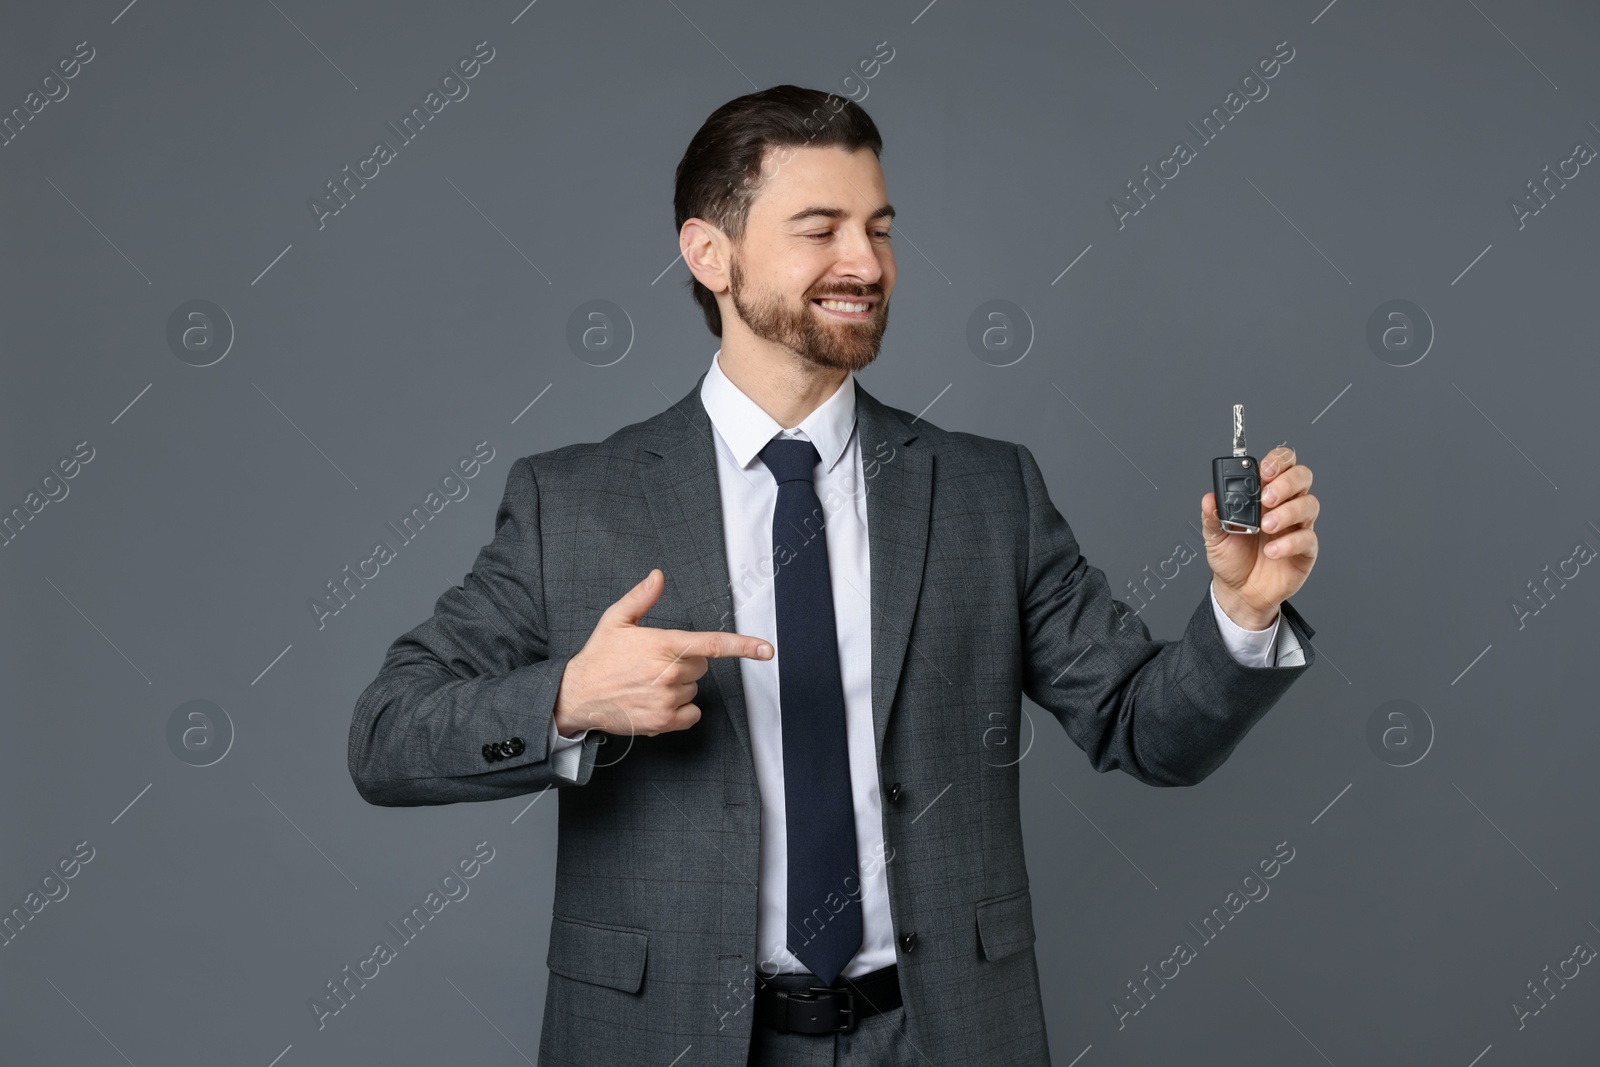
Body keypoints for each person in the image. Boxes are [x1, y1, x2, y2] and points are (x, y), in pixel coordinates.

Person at [348, 84, 1320, 1067]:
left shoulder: (988, 491)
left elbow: (1147, 728)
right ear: (708, 252)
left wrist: (1241, 610)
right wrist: (569, 697)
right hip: (663, 1036)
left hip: (937, 1035)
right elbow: (387, 736)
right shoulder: (573, 503)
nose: (865, 263)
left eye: (879, 228)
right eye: (820, 229)